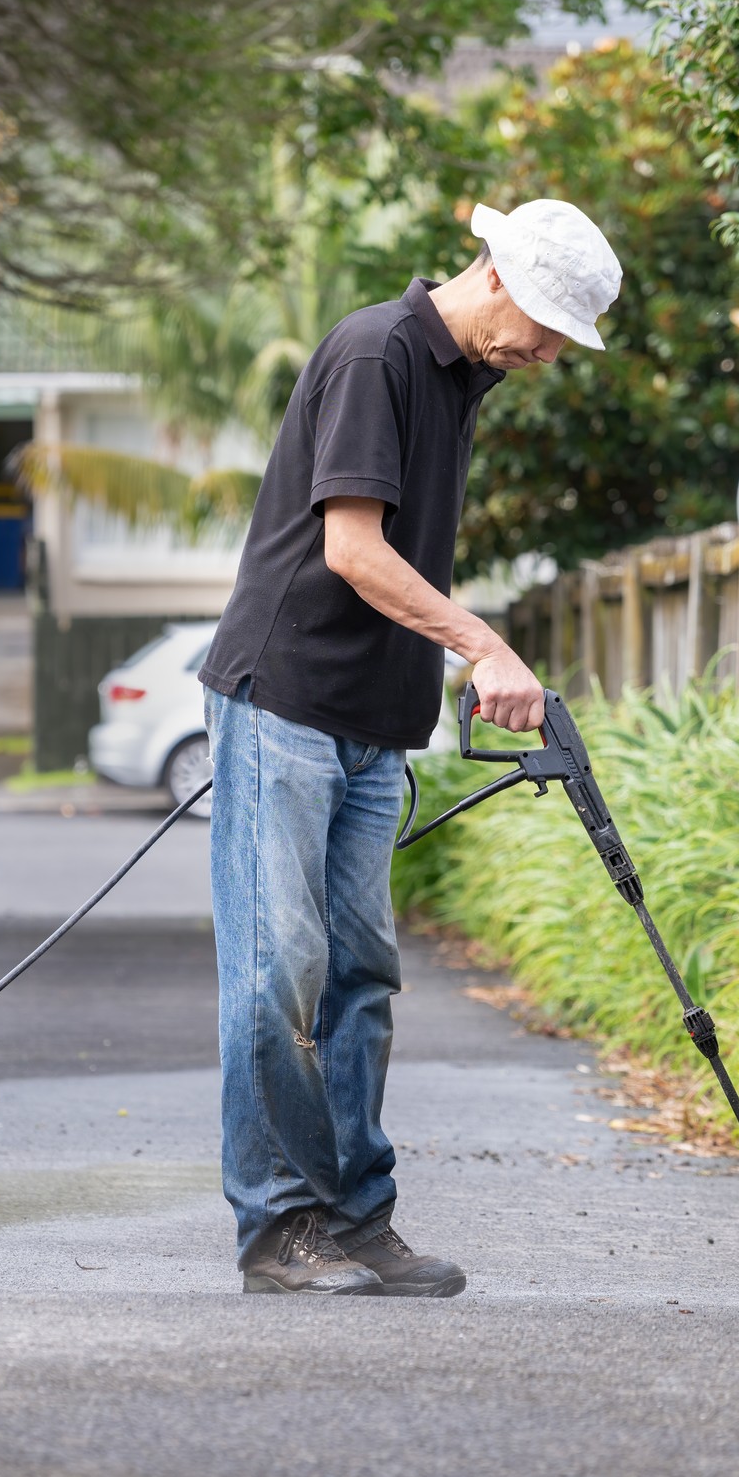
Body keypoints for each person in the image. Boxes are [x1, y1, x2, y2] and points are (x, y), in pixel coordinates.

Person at [196, 199, 622, 1294]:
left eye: (562, 338)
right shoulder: (375, 350)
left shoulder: (461, 375)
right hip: (281, 698)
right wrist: (483, 644)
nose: (547, 351)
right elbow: (350, 549)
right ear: (494, 275)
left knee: (362, 979)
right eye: (543, 325)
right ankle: (278, 1228)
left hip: (370, 722)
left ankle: (357, 1218)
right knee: (276, 975)